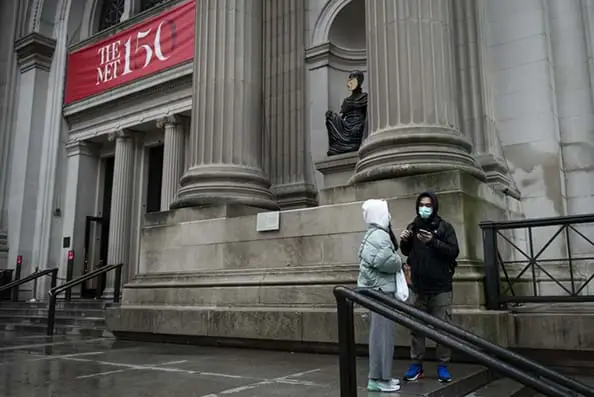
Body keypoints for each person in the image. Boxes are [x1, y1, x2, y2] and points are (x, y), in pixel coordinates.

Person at [399, 192, 460, 383]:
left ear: (434, 207)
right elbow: (406, 251)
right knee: (416, 328)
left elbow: (453, 252)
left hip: (440, 287)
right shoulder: (413, 226)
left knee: (442, 328)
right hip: (418, 286)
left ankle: (442, 366)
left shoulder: (445, 227)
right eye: (421, 204)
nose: (424, 208)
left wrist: (432, 242)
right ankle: (416, 365)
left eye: (428, 205)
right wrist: (405, 240)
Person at [358, 199, 403, 393]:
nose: (389, 216)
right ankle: (378, 379)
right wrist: (399, 260)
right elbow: (386, 261)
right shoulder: (380, 236)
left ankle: (381, 377)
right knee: (383, 337)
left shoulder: (375, 235)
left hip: (378, 290)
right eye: (387, 212)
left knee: (382, 336)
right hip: (381, 291)